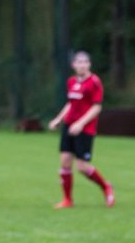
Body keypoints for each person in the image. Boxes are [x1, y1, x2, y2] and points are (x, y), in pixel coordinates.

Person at [47, 51, 114, 209]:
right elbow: (70, 103)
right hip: (69, 126)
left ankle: (106, 187)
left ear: (89, 65)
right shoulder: (71, 82)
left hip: (85, 129)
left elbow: (97, 107)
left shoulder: (94, 82)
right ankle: (68, 200)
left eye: (85, 62)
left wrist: (81, 123)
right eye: (79, 62)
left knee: (82, 167)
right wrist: (58, 119)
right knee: (64, 162)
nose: (82, 65)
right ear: (74, 65)